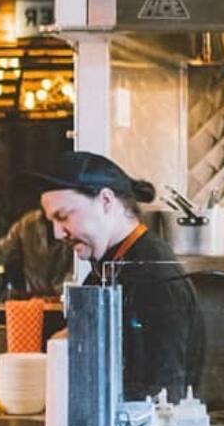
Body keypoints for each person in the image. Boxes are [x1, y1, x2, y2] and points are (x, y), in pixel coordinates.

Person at [29, 152, 200, 399]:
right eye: (52, 221)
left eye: (63, 216)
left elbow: (162, 392)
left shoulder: (152, 274)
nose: (58, 233)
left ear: (106, 201)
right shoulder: (113, 263)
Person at [0, 207, 74, 298]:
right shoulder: (28, 224)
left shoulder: (74, 223)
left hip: (65, 298)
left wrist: (63, 293)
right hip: (31, 300)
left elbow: (78, 270)